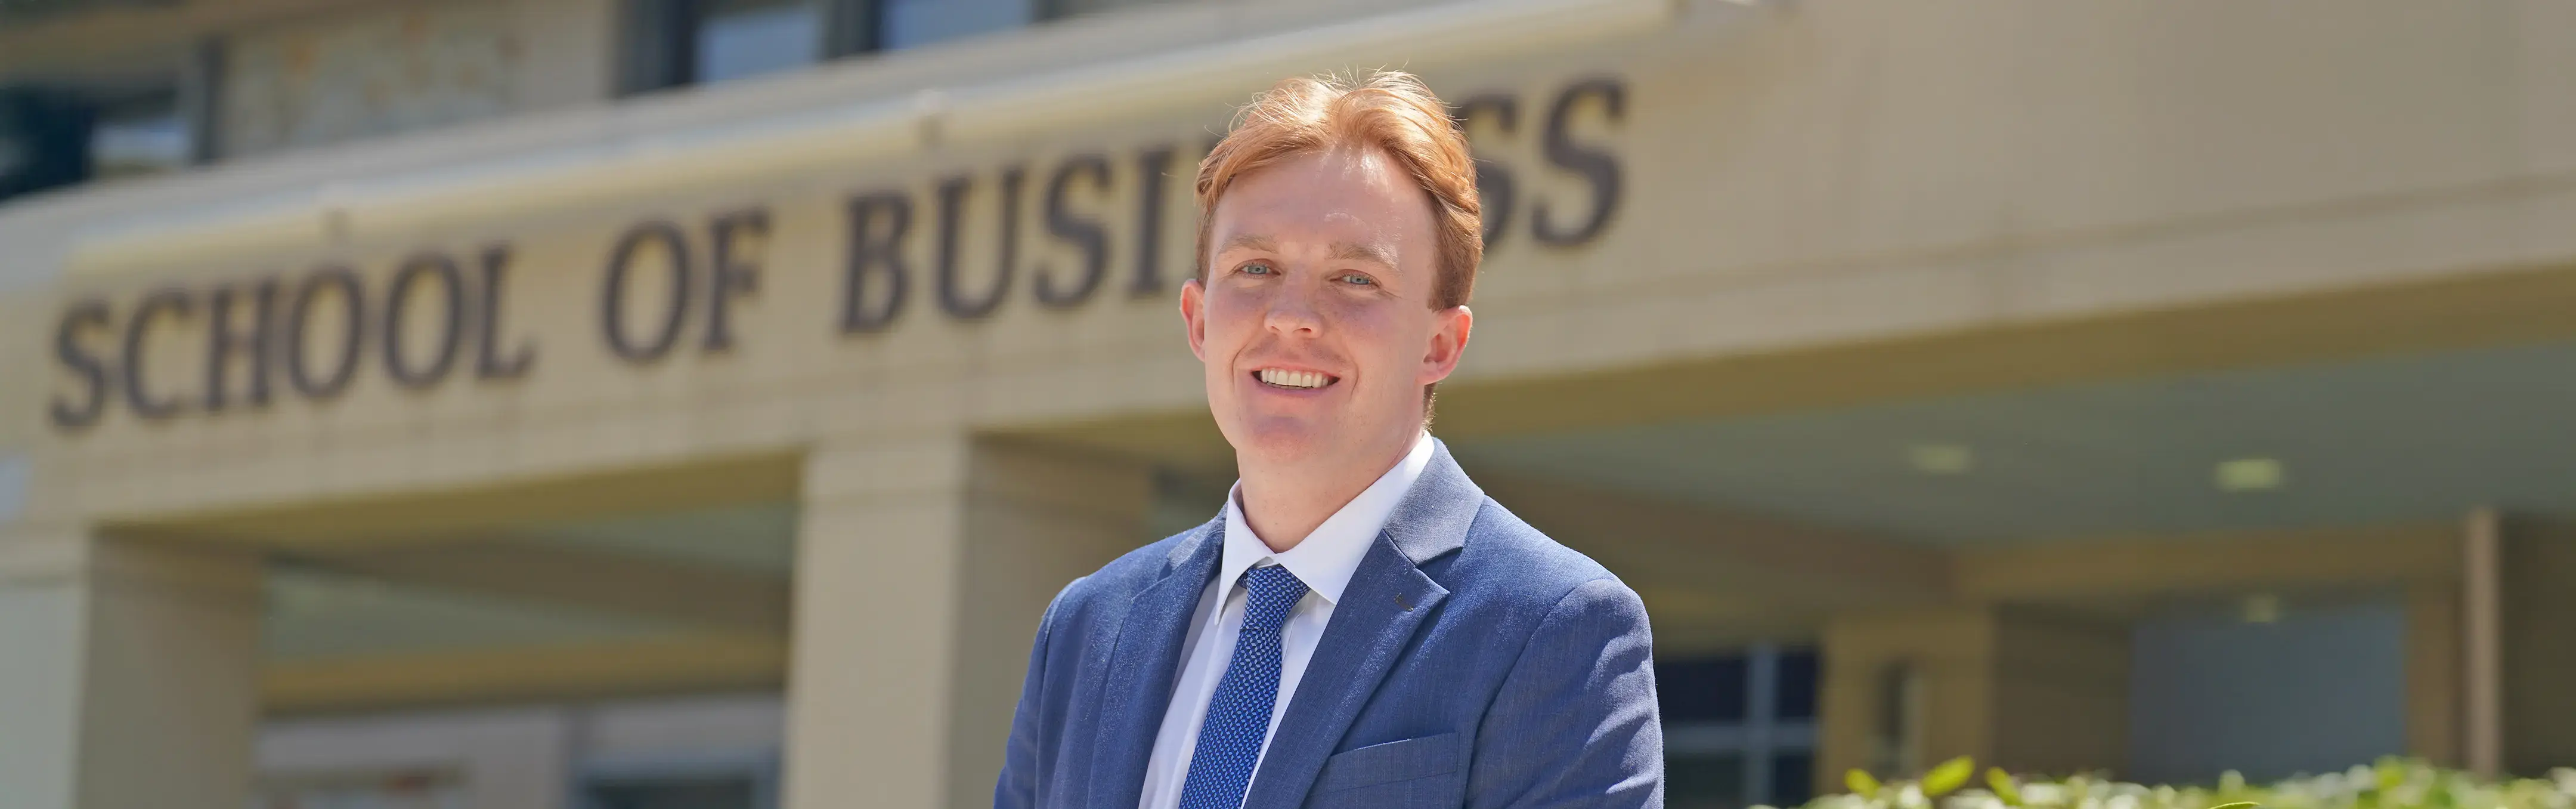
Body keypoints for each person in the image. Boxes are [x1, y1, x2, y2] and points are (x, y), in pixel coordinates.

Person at [994, 70, 1663, 809]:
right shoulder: (1087, 628)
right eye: (1255, 268)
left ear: (1441, 344)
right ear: (1199, 321)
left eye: (1354, 279)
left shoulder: (1555, 629)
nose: (1292, 315)